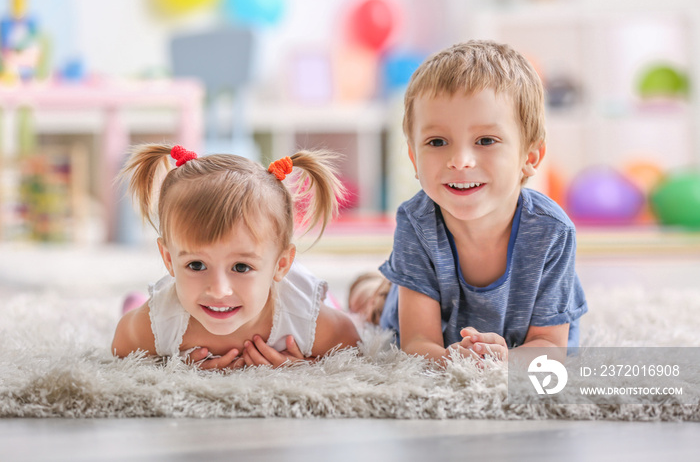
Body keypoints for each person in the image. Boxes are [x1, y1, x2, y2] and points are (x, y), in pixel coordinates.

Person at [375, 40, 587, 364]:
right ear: (414, 158)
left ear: (529, 157)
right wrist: (449, 358)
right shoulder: (416, 223)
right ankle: (373, 290)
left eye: (486, 140)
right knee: (374, 308)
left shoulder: (552, 232)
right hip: (413, 310)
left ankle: (378, 287)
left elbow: (550, 345)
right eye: (437, 141)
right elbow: (417, 340)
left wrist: (507, 360)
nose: (460, 161)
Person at [111, 144, 360, 369]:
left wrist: (306, 365)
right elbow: (120, 349)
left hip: (299, 290)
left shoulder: (306, 320)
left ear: (281, 264)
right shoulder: (161, 321)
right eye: (196, 265)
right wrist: (171, 365)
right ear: (168, 259)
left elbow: (355, 352)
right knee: (140, 312)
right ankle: (136, 303)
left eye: (241, 267)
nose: (219, 290)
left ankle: (335, 300)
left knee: (334, 305)